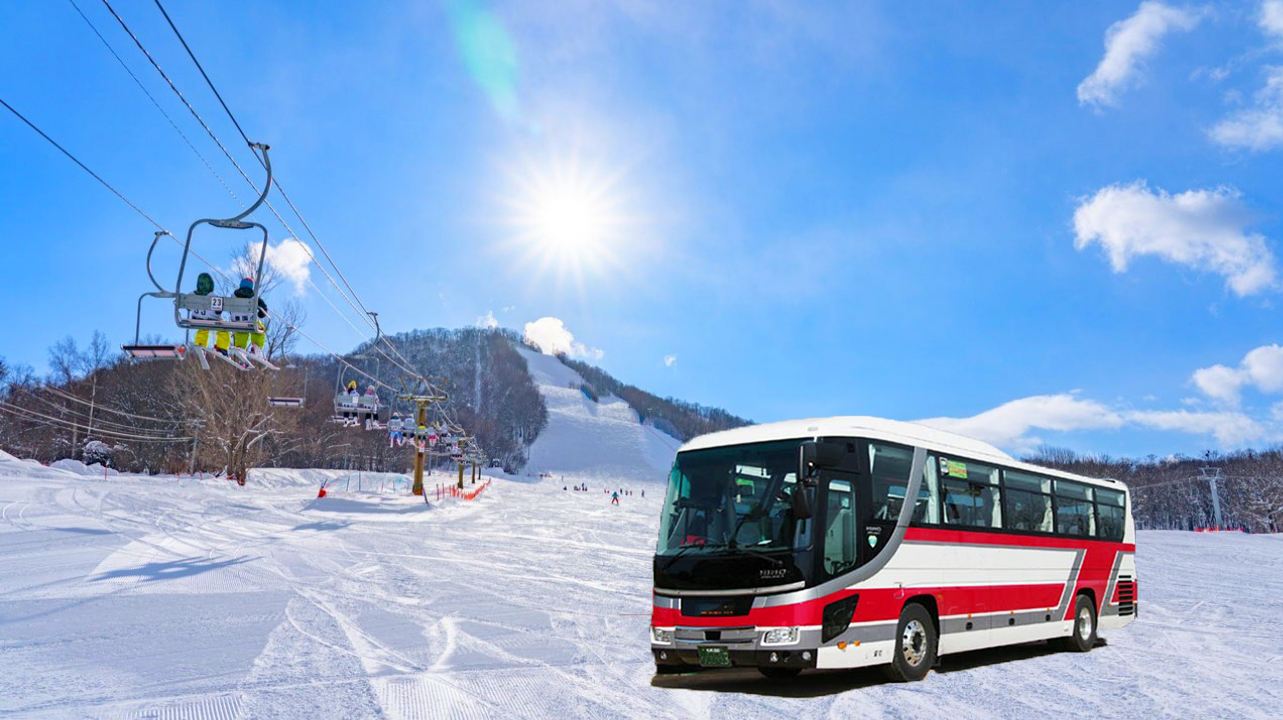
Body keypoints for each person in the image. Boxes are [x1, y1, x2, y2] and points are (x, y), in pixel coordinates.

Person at [230, 277, 256, 352]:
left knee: (241, 333)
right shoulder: (254, 296)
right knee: (260, 328)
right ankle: (256, 345)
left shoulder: (233, 295)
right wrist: (262, 313)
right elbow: (261, 306)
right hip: (249, 321)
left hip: (236, 321)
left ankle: (240, 347)